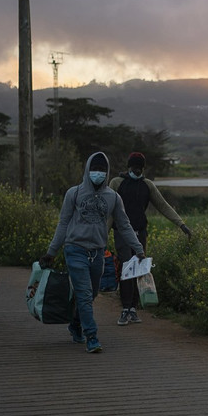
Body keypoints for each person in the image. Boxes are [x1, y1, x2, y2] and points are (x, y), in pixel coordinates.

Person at [41, 151, 144, 354]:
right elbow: (63, 224)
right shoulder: (74, 193)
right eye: (94, 169)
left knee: (91, 293)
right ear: (88, 170)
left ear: (107, 173)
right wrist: (51, 252)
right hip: (75, 249)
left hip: (98, 252)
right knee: (85, 293)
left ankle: (76, 323)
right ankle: (92, 337)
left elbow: (124, 226)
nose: (98, 173)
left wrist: (138, 249)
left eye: (102, 170)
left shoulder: (113, 197)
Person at [109, 151, 192, 326]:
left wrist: (181, 224)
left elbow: (163, 205)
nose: (136, 170)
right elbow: (109, 210)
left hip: (140, 232)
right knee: (126, 268)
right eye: (134, 167)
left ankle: (133, 308)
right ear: (128, 167)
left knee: (138, 269)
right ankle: (125, 308)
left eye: (139, 168)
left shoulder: (147, 185)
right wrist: (102, 233)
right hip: (122, 233)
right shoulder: (117, 183)